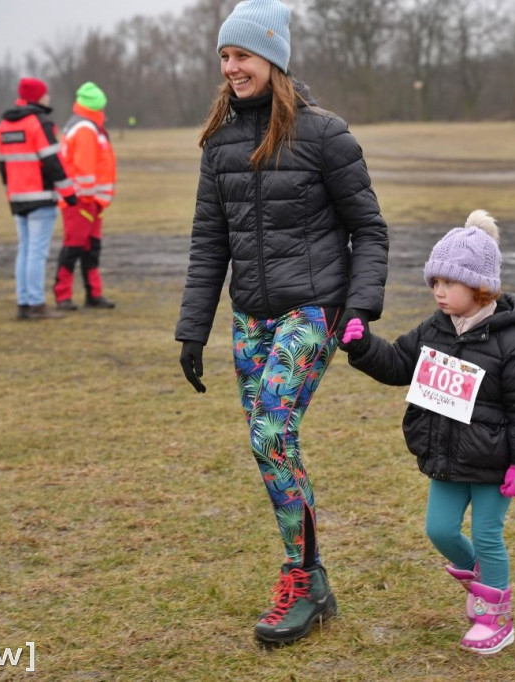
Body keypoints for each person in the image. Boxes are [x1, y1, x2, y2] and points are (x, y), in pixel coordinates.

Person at [174, 0, 389, 645]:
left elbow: (370, 230)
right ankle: (310, 577)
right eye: (224, 56)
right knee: (269, 444)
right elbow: (209, 242)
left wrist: (358, 311)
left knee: (271, 431)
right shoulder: (218, 143)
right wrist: (192, 328)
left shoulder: (325, 134)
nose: (230, 67)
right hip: (250, 318)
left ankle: (303, 577)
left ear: (272, 59)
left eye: (241, 55)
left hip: (313, 308)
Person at [341, 210, 515, 655]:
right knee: (439, 530)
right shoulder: (433, 329)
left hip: (495, 462)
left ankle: (496, 616)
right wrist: (362, 346)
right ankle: (481, 576)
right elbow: (399, 363)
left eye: (449, 282)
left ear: (480, 287)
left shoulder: (514, 344)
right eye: (434, 281)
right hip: (447, 456)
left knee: (488, 535)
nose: (438, 291)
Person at [0, 77, 77, 320]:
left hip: (17, 197)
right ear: (37, 97)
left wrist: (10, 192)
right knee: (36, 252)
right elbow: (53, 161)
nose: (48, 97)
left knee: (25, 250)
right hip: (40, 197)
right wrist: (69, 193)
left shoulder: (4, 125)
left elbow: (3, 165)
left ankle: (24, 302)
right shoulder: (39, 122)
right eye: (45, 94)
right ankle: (36, 304)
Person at [53, 82, 117, 310]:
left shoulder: (87, 126)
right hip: (81, 201)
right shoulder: (85, 129)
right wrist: (88, 199)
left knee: (91, 247)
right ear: (96, 106)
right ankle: (63, 295)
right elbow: (85, 168)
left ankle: (93, 294)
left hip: (90, 201)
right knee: (74, 247)